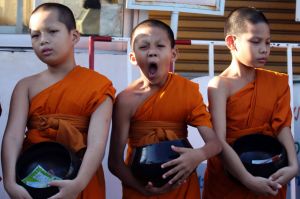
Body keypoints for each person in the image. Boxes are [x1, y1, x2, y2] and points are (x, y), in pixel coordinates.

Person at [1, 3, 115, 199]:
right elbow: (12, 137)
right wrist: (10, 183)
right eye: (35, 35)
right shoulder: (25, 86)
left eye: (52, 31)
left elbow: (97, 144)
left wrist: (78, 185)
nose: (43, 40)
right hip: (31, 177)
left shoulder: (99, 85)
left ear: (74, 36)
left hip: (80, 179)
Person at [108, 19, 221, 199]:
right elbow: (114, 162)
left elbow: (215, 144)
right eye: (144, 47)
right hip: (139, 186)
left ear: (174, 54)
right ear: (132, 57)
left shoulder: (186, 92)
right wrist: (142, 189)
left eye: (160, 46)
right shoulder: (125, 101)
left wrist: (197, 156)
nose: (152, 52)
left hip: (181, 185)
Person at [202, 7, 298, 199]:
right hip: (230, 176)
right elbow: (219, 141)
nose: (264, 49)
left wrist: (294, 166)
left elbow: (282, 127)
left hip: (269, 168)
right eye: (255, 41)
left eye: (268, 42)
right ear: (232, 42)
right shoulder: (220, 85)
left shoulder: (276, 82)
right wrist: (247, 179)